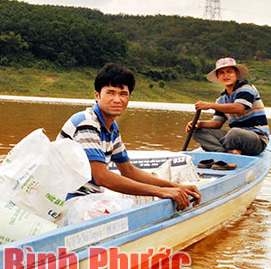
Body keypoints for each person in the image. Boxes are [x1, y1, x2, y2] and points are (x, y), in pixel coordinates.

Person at [57, 63, 200, 210]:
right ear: (97, 95)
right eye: (110, 93)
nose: (117, 99)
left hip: (87, 197)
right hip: (63, 199)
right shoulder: (87, 122)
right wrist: (161, 191)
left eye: (123, 94)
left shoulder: (111, 128)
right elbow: (102, 177)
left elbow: (128, 171)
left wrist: (177, 187)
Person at [186, 57, 269, 156]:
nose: (226, 75)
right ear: (218, 76)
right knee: (195, 131)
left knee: (234, 133)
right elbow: (217, 123)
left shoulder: (246, 88)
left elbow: (239, 108)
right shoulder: (221, 99)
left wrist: (210, 105)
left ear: (236, 74)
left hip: (256, 138)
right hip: (233, 138)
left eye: (229, 72)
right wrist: (199, 124)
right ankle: (227, 152)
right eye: (221, 73)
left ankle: (219, 150)